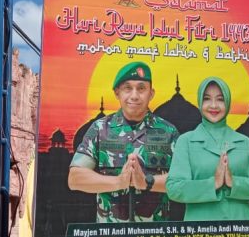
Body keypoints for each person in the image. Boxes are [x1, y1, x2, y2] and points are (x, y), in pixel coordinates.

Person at [68, 61, 179, 223]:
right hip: (110, 231)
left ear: (151, 94)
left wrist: (146, 182)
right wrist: (118, 182)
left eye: (141, 88)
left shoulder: (168, 131)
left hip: (154, 231)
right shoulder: (100, 129)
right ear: (117, 93)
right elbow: (75, 178)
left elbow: (183, 181)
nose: (134, 95)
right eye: (128, 88)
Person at [166, 77, 249, 221]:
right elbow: (174, 189)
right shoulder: (186, 141)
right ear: (200, 103)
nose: (213, 105)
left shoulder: (243, 142)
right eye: (207, 99)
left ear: (228, 102)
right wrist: (213, 183)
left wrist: (234, 182)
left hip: (241, 227)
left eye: (220, 99)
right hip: (201, 228)